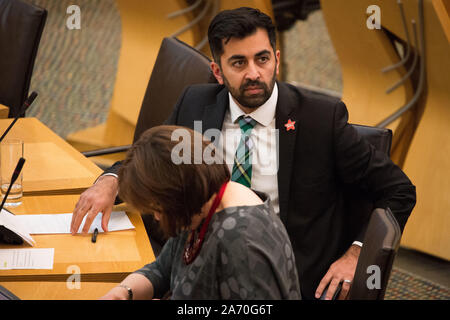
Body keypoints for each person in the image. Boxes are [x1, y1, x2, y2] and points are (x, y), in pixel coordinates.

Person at [72, 7, 416, 300]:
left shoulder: (320, 120)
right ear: (217, 71)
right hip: (191, 255)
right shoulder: (195, 104)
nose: (254, 73)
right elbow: (151, 159)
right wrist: (112, 179)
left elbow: (399, 190)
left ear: (277, 60)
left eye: (262, 59)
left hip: (279, 276)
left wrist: (357, 253)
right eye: (238, 62)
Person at [100, 125, 301, 300]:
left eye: (158, 208)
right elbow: (162, 269)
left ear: (179, 192)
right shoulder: (200, 207)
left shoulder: (241, 239)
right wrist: (124, 291)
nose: (158, 217)